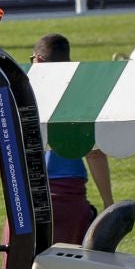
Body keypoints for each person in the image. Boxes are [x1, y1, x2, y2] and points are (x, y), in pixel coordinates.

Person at [31, 34, 114, 245]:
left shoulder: (19, 94)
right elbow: (94, 153)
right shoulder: (77, 96)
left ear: (38, 60)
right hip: (70, 198)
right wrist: (108, 202)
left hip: (27, 197)